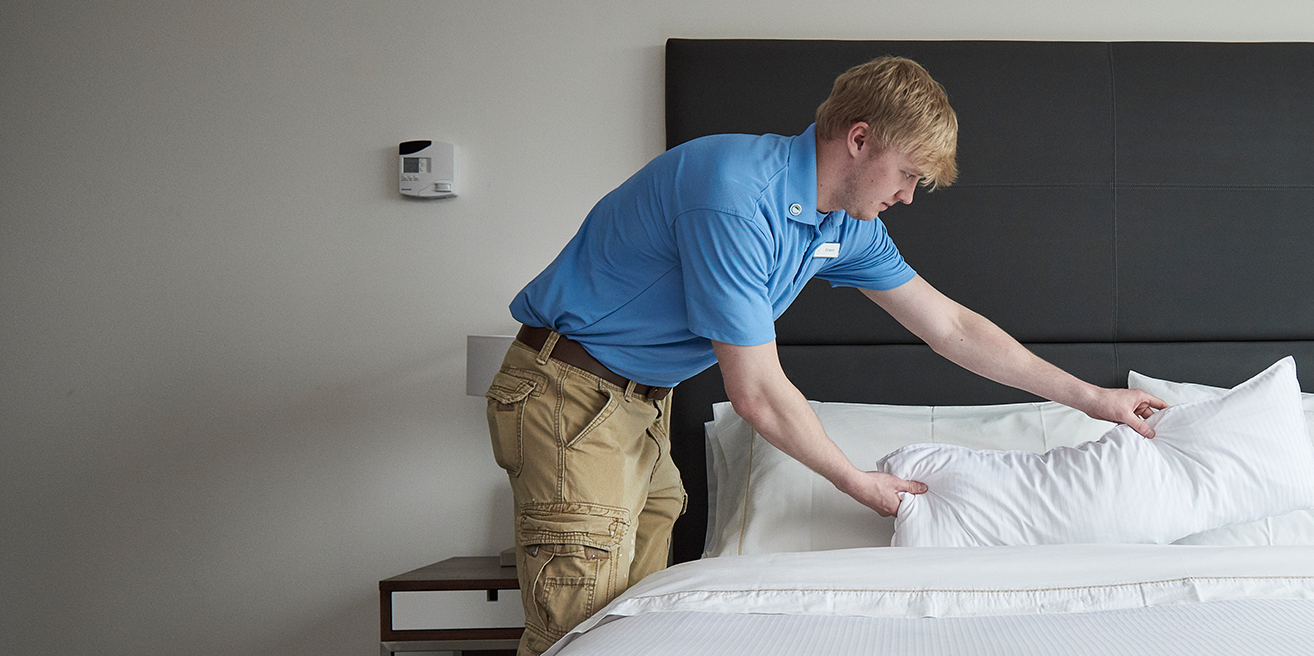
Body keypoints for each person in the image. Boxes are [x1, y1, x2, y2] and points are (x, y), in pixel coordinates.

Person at [482, 55, 1168, 656]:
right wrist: (855, 481)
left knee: (631, 626)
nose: (905, 196)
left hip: (639, 405)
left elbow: (953, 327)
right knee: (576, 632)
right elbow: (755, 391)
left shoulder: (843, 226)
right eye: (905, 175)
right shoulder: (735, 198)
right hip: (570, 392)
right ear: (859, 139)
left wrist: (1094, 398)